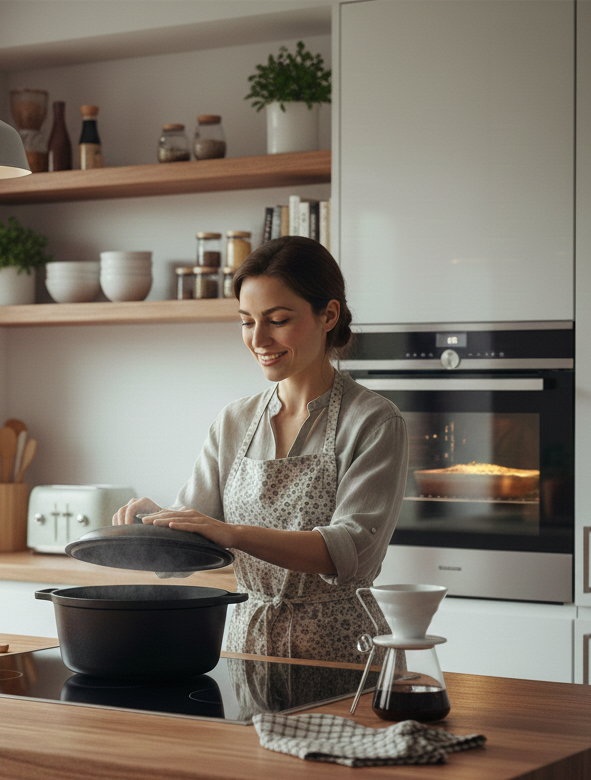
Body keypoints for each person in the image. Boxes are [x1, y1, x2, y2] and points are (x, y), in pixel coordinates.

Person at [113, 236, 408, 663]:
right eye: (247, 321)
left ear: (328, 315)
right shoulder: (233, 422)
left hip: (345, 654)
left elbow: (350, 552)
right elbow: (189, 551)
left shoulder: (375, 422)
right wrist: (153, 523)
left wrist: (231, 534)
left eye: (278, 319)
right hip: (247, 650)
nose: (259, 339)